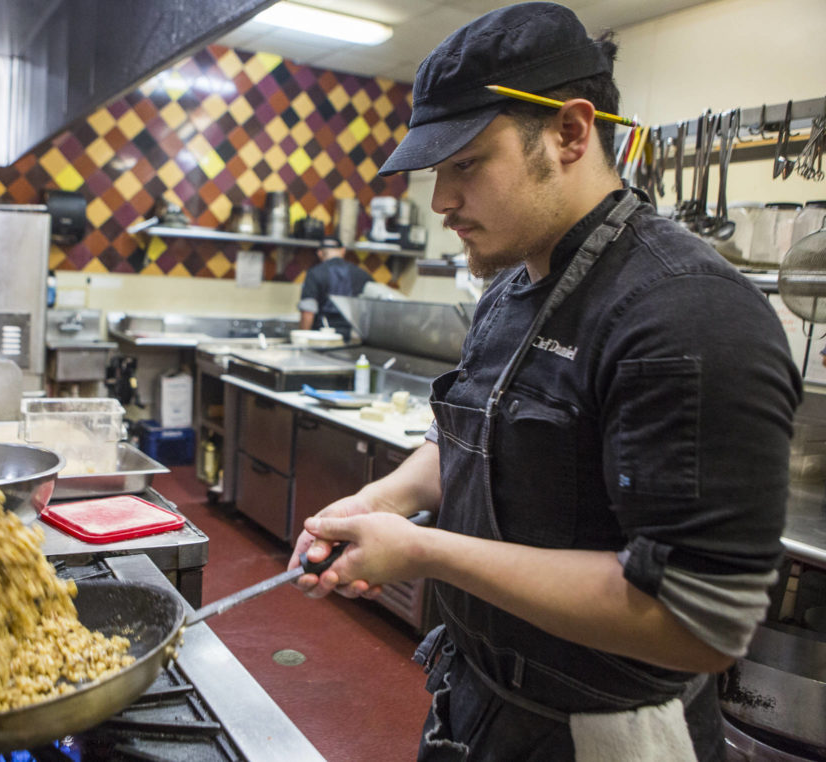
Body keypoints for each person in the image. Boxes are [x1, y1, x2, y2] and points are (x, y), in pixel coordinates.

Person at [288, 3, 802, 760]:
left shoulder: (685, 314)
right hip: (479, 702)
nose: (442, 203)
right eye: (439, 172)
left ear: (569, 131)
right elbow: (475, 432)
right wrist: (382, 498)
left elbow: (701, 621)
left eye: (466, 164)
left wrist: (425, 552)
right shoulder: (510, 283)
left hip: (605, 734)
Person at [297, 235, 373, 340]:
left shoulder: (314, 273)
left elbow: (308, 311)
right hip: (354, 336)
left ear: (320, 253)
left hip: (323, 335)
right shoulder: (362, 275)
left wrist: (302, 339)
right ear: (343, 251)